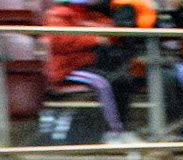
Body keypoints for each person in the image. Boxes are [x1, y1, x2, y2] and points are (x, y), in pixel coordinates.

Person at [45, 0, 143, 143]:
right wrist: (95, 39)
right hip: (68, 70)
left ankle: (123, 130)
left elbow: (113, 32)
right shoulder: (58, 14)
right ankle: (113, 132)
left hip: (90, 66)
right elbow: (61, 42)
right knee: (103, 83)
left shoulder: (91, 15)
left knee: (122, 80)